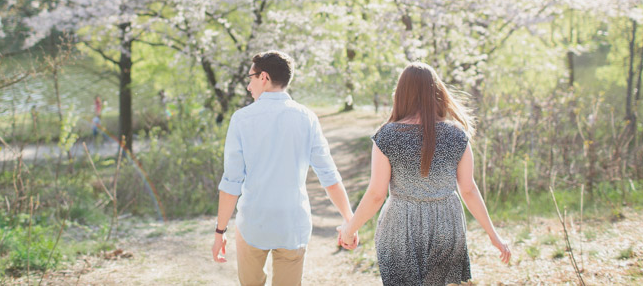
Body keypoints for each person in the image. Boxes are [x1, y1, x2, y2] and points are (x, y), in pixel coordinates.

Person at [338, 62, 510, 286]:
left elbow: (376, 195)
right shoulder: (457, 134)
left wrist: (349, 230)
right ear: (436, 92)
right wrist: (494, 236)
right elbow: (468, 189)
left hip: (400, 226)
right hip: (447, 225)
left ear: (401, 94)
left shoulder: (387, 135)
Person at [212, 51, 357, 286]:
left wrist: (220, 232)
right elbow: (329, 176)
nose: (248, 86)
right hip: (292, 225)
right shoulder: (307, 118)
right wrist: (349, 220)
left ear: (264, 77)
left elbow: (231, 182)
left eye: (250, 77)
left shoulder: (241, 119)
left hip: (253, 224)